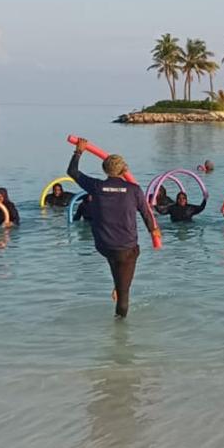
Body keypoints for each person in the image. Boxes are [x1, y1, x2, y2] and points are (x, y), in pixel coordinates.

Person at [67, 137, 160, 319]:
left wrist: (79, 151)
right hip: (126, 248)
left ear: (105, 169)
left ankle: (118, 284)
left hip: (103, 246)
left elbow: (72, 171)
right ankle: (120, 333)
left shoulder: (97, 186)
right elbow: (146, 212)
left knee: (114, 255)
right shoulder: (134, 189)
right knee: (124, 296)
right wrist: (153, 231)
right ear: (125, 170)